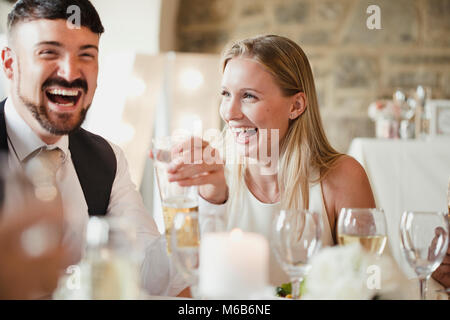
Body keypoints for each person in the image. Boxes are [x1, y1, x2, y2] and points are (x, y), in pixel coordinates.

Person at [166, 34, 449, 294]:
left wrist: (435, 279)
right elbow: (179, 286)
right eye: (225, 94)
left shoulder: (341, 178)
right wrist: (209, 200)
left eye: (248, 96)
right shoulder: (208, 178)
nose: (229, 112)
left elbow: (374, 285)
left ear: (296, 106)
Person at [0, 0, 187, 298]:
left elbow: (149, 275)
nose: (71, 73)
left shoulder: (108, 159)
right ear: (10, 64)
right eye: (49, 52)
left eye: (86, 55)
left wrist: (198, 203)